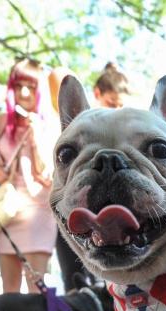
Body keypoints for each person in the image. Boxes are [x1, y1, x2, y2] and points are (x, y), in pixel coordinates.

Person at [0, 58, 59, 311]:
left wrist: (36, 138)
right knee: (8, 288)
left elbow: (49, 174)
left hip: (39, 209)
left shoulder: (51, 124)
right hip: (8, 208)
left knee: (36, 286)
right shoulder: (1, 122)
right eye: (19, 85)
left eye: (31, 86)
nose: (25, 93)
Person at [55, 62, 130, 293]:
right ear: (97, 94)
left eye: (120, 105)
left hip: (126, 205)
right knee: (76, 280)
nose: (115, 110)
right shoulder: (76, 126)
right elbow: (57, 75)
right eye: (111, 103)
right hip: (80, 207)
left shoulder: (134, 123)